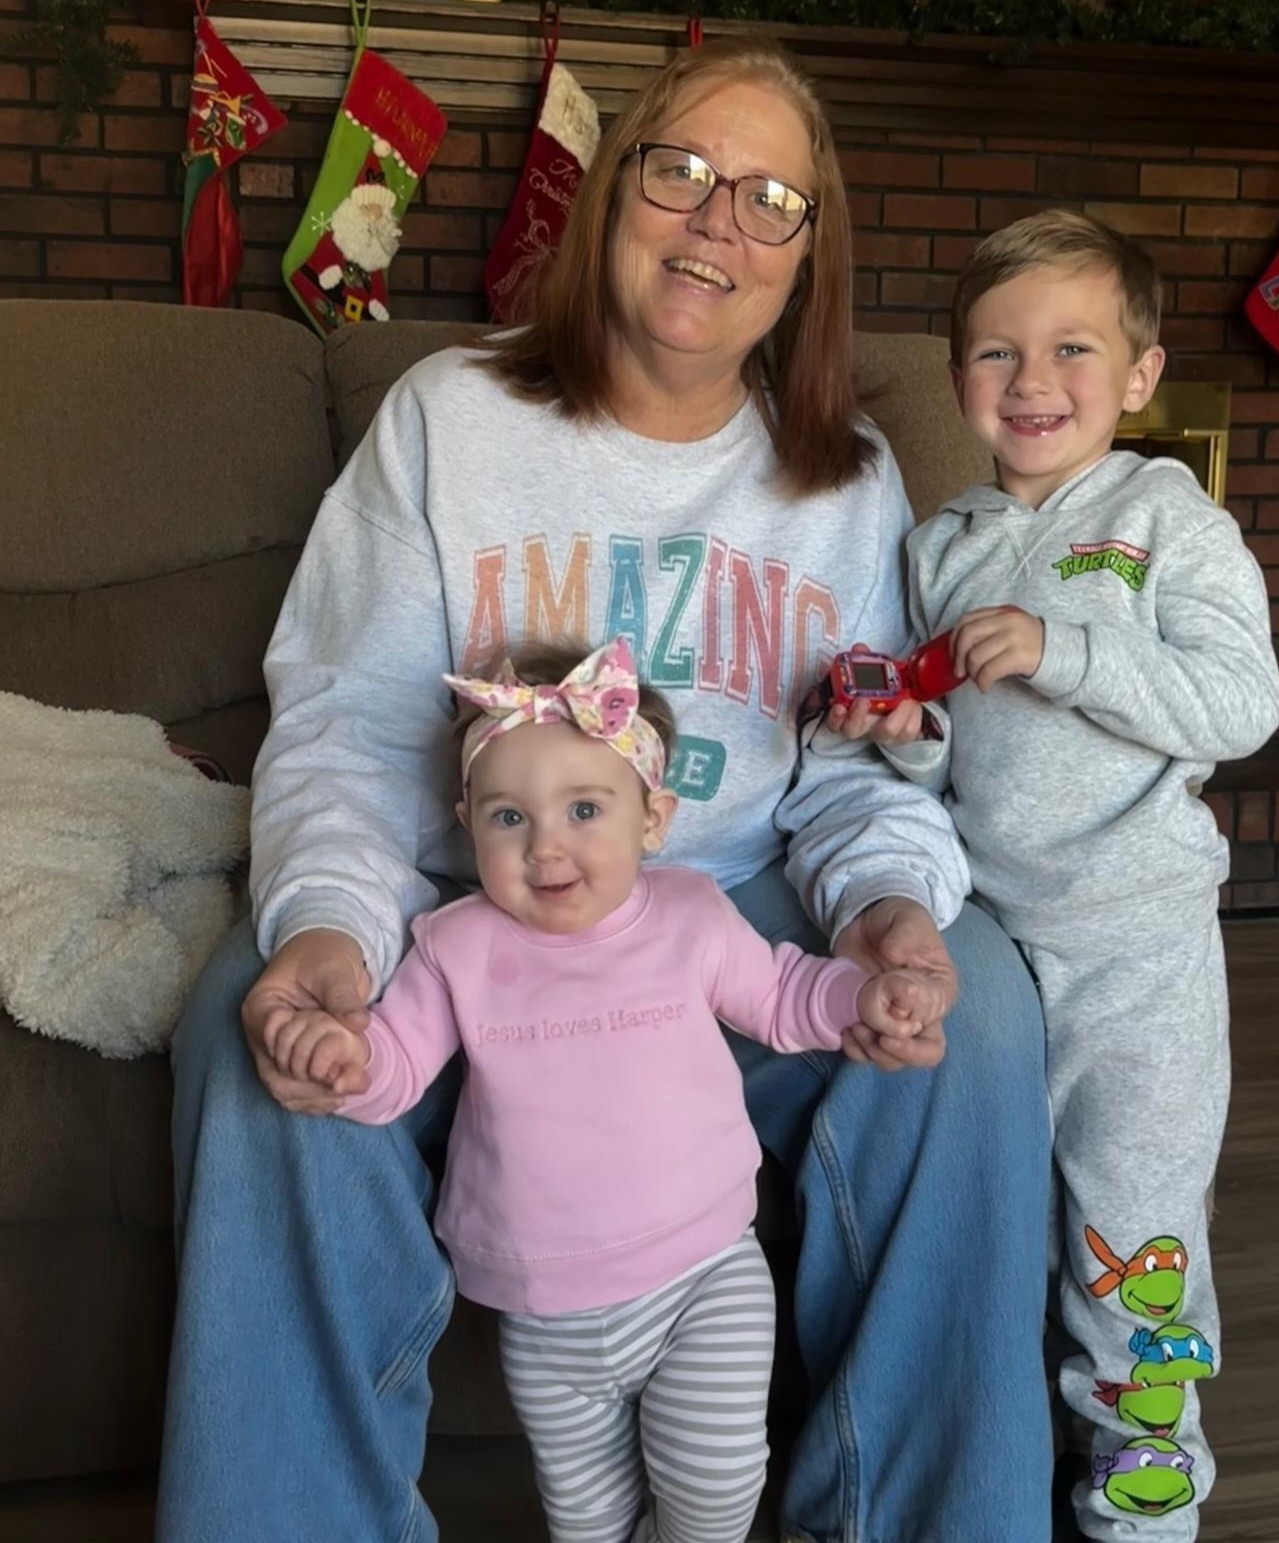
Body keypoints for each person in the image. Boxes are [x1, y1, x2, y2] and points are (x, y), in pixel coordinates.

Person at [157, 37, 1055, 1543]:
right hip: (473, 908)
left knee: (980, 1014)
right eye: (685, 172)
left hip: (731, 919)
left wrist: (899, 912)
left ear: (806, 262)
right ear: (612, 191)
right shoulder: (451, 417)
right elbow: (350, 729)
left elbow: (863, 769)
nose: (719, 223)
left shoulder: (846, 480)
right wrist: (323, 931)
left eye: (773, 200)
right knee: (255, 1036)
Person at [263, 636, 948, 1543]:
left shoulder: (691, 913)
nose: (547, 845)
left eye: (585, 808)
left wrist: (865, 994)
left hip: (706, 1269)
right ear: (466, 819)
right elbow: (392, 1067)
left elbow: (784, 996)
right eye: (509, 818)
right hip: (546, 1308)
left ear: (653, 818)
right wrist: (339, 1059)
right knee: (586, 1517)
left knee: (713, 1491)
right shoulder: (454, 945)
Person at [824, 210, 1279, 1542]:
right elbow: (943, 754)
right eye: (994, 352)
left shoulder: (1164, 517)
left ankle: (1145, 1498)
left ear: (1139, 376)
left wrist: (1064, 647)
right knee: (1001, 1219)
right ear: (955, 372)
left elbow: (1241, 701)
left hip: (1137, 952)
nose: (1031, 382)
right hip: (992, 938)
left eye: (1071, 349)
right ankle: (1001, 1460)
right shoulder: (939, 543)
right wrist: (903, 740)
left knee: (1134, 1241)